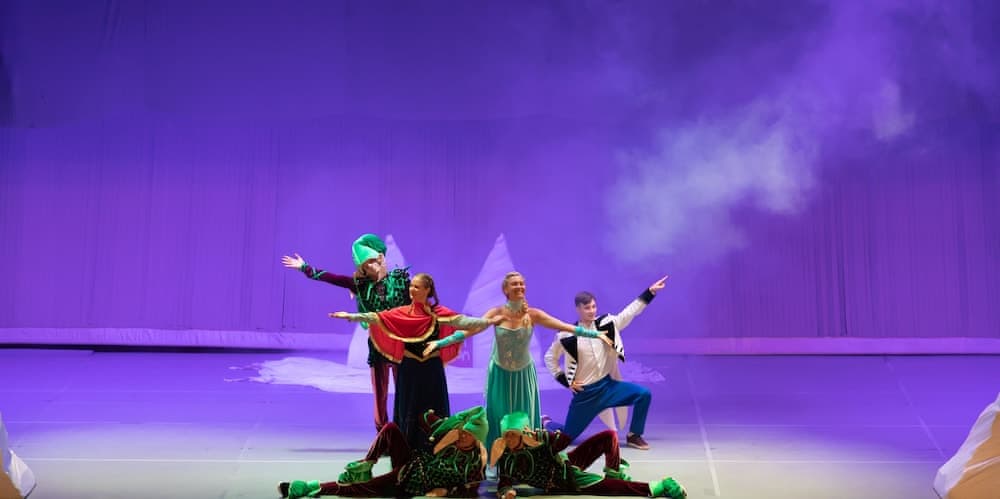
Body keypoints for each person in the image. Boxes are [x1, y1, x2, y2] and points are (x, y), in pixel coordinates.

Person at [424, 271, 609, 445]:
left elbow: (565, 327)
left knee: (523, 416)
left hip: (523, 373)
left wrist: (595, 334)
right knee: (498, 415)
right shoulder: (496, 313)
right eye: (514, 284)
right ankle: (498, 455)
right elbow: (468, 331)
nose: (519, 286)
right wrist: (440, 343)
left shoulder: (533, 315)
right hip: (500, 372)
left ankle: (525, 455)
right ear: (505, 289)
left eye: (521, 283)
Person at [330, 273, 500, 449]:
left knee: (433, 407)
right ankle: (407, 447)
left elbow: (464, 322)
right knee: (409, 406)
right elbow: (377, 317)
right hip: (409, 368)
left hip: (432, 369)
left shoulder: (438, 313)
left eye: (417, 287)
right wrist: (351, 316)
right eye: (411, 286)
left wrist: (488, 321)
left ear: (427, 290)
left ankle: (435, 446)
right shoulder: (403, 313)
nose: (411, 289)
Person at [281, 234, 410, 432]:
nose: (371, 267)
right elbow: (331, 278)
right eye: (366, 265)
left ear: (382, 258)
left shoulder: (400, 281)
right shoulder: (360, 285)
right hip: (378, 342)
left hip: (400, 342)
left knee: (404, 390)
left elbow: (415, 306)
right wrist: (304, 267)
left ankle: (404, 430)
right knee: (380, 392)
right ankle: (383, 433)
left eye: (373, 261)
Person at [543, 276, 668, 450]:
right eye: (587, 308)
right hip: (586, 395)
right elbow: (550, 358)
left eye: (593, 306)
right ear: (578, 309)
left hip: (607, 387)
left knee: (643, 394)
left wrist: (650, 292)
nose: (591, 311)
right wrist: (566, 381)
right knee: (565, 438)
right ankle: (546, 422)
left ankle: (634, 435)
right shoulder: (566, 335)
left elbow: (629, 313)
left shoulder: (606, 324)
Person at [278, 406, 489, 498]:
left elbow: (471, 489)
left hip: (410, 482)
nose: (462, 436)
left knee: (363, 488)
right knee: (390, 428)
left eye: (467, 435)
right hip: (412, 464)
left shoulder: (475, 462)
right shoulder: (452, 440)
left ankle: (310, 487)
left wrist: (445, 492)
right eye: (462, 432)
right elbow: (424, 418)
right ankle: (366, 464)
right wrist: (449, 426)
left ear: (478, 438)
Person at [491, 411, 686, 499]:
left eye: (513, 434)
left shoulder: (539, 444)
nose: (510, 439)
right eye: (506, 435)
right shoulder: (506, 458)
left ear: (522, 434)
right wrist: (507, 492)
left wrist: (542, 435)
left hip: (567, 463)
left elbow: (564, 441)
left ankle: (614, 471)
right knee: (615, 488)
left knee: (610, 436)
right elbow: (504, 481)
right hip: (568, 481)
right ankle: (658, 486)